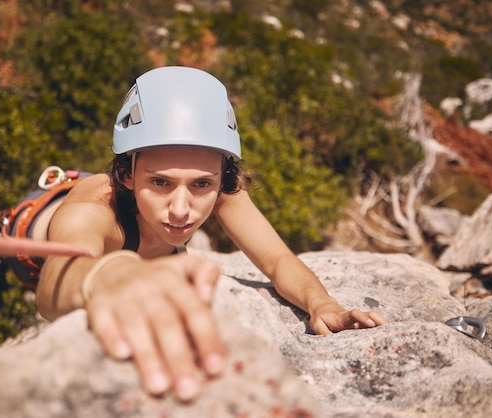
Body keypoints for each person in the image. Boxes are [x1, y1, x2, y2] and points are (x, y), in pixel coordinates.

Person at [35, 66, 387, 402]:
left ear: (222, 178)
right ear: (126, 174)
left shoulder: (217, 189)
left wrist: (320, 303)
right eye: (160, 182)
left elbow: (277, 260)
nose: (180, 209)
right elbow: (53, 290)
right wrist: (115, 272)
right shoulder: (99, 206)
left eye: (202, 184)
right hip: (32, 238)